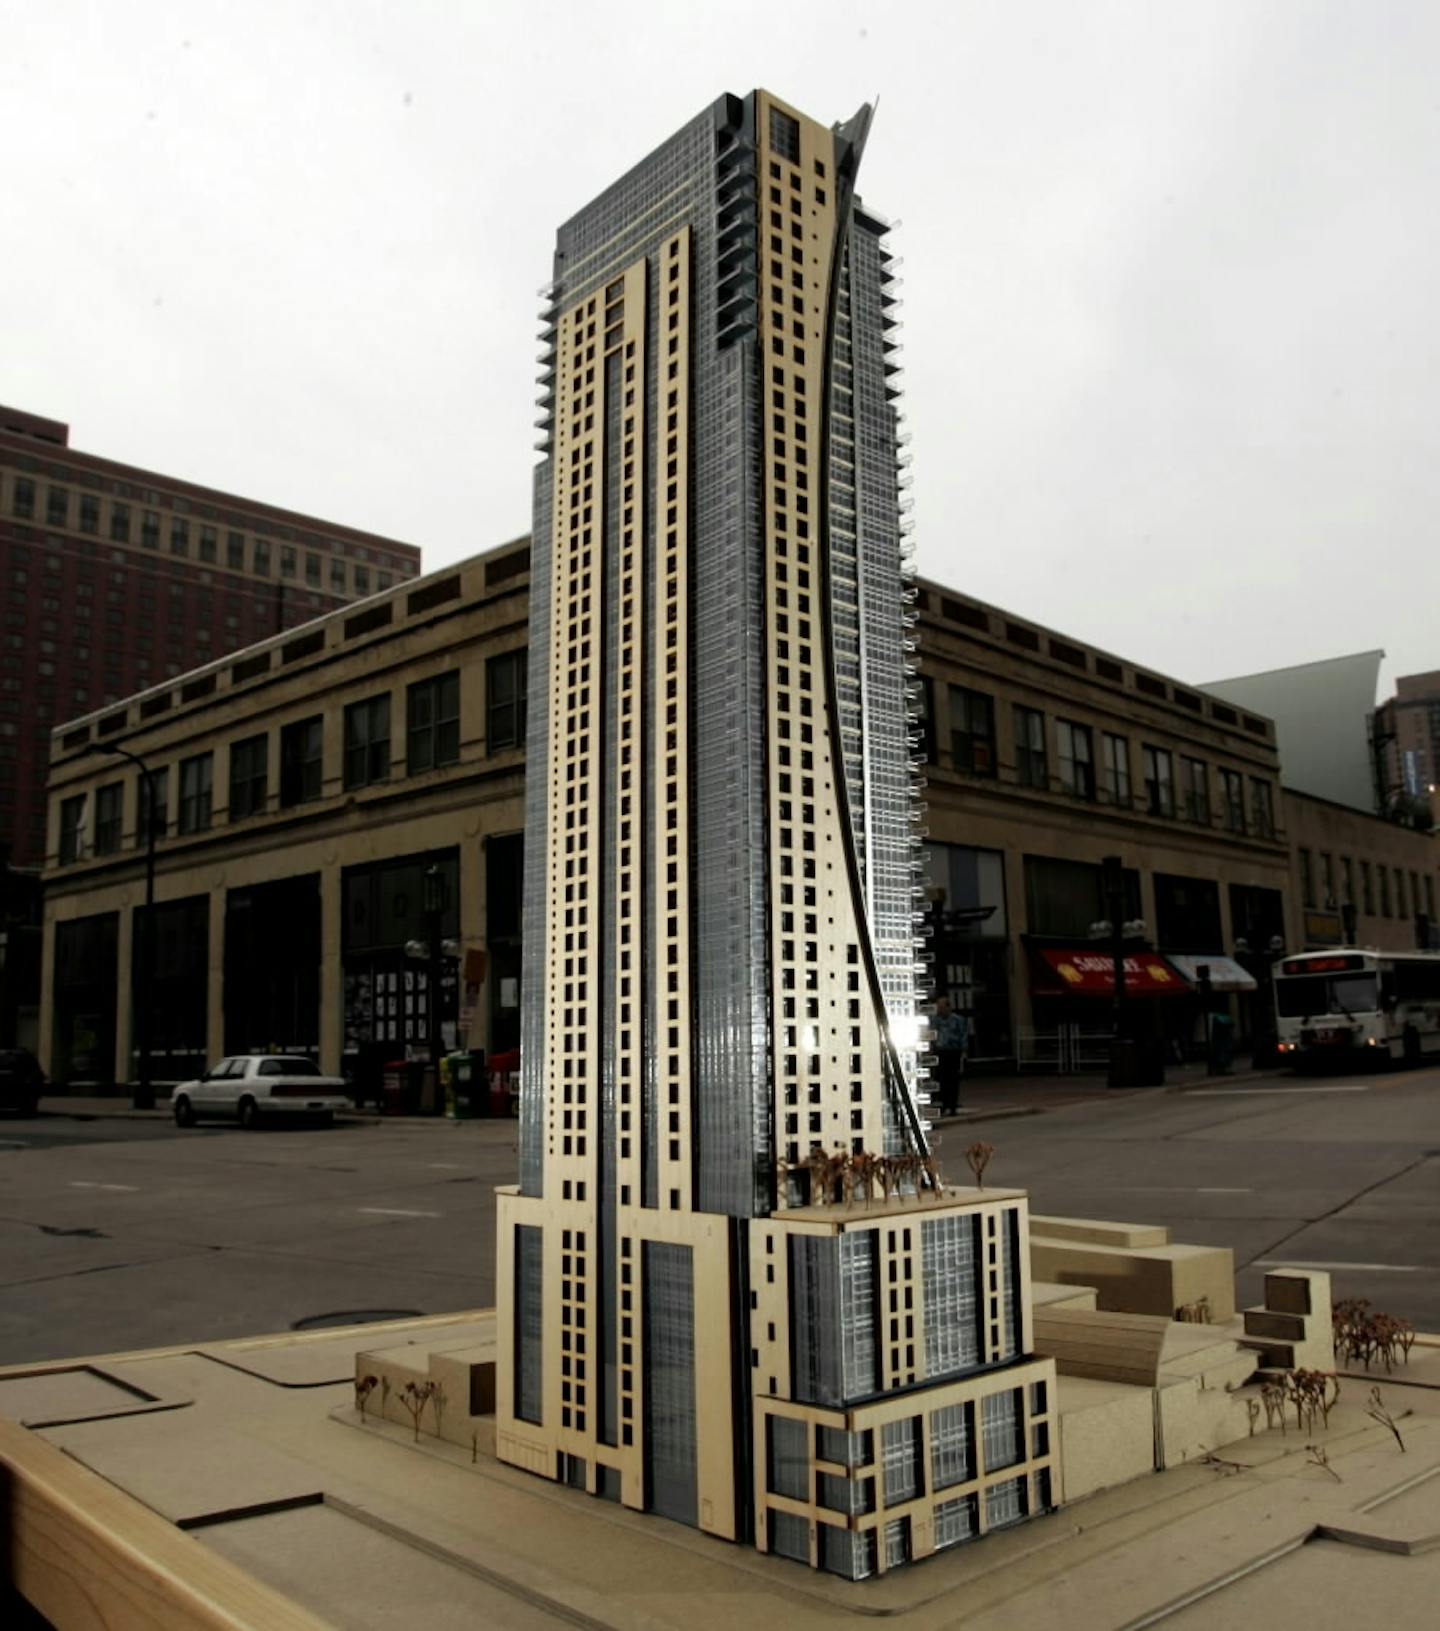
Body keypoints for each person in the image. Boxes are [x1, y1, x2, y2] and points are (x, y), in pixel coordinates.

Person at [932, 996, 970, 1116]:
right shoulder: (936, 1020)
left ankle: (952, 1105)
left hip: (953, 1051)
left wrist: (964, 1051)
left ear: (948, 1007)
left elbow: (963, 1035)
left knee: (953, 1079)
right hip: (941, 1051)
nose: (940, 1010)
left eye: (942, 1007)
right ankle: (943, 1103)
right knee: (941, 1079)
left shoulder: (958, 1020)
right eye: (939, 1007)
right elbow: (932, 1034)